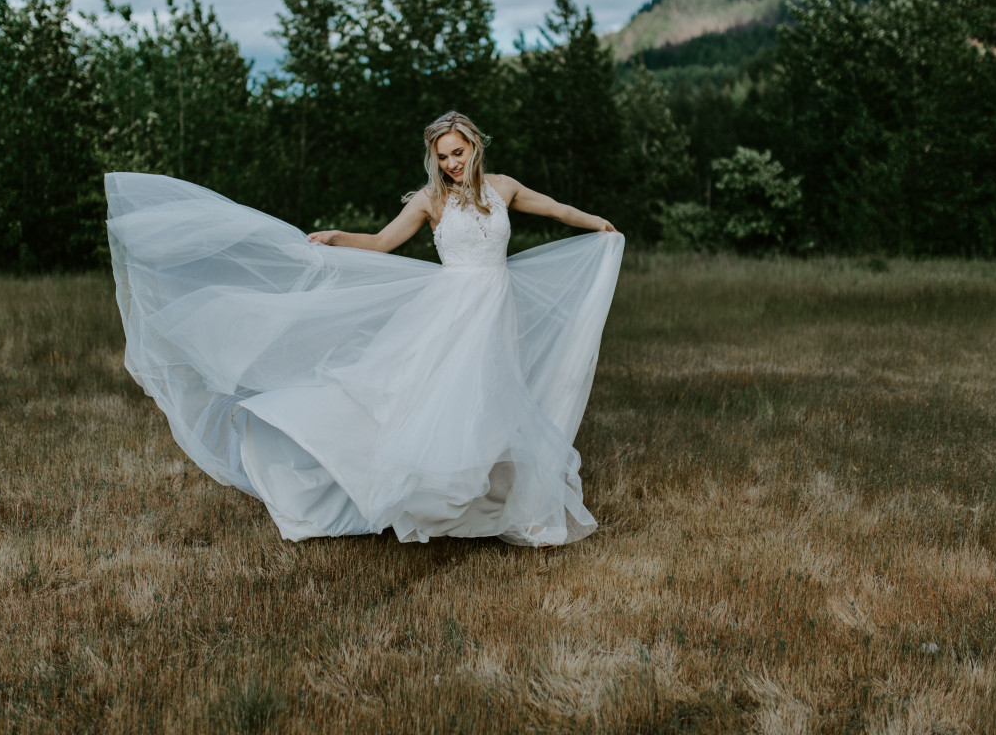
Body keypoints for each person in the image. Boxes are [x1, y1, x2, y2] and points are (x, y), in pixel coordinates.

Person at [105, 111, 624, 547]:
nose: (451, 163)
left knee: (493, 397)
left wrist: (598, 224)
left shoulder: (503, 189)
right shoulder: (429, 200)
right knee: (437, 398)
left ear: (475, 146)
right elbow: (380, 243)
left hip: (496, 306)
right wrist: (338, 237)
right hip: (452, 311)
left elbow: (555, 209)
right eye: (442, 156)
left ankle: (507, 502)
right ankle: (415, 492)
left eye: (458, 152)